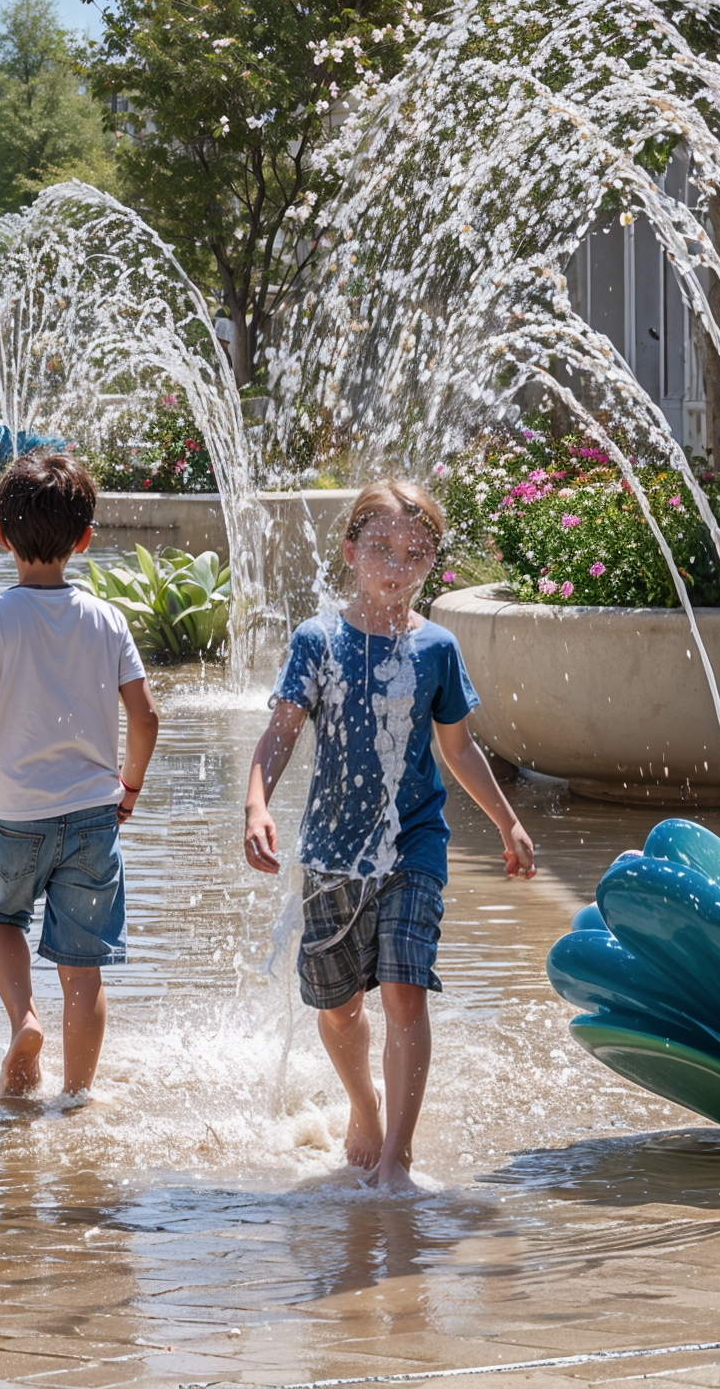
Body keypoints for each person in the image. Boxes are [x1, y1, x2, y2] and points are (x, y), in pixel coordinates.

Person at [240, 480, 536, 1192]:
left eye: (414, 554)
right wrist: (257, 805)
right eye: (381, 550)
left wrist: (507, 820)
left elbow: (459, 750)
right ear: (351, 551)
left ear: (430, 564)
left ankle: (398, 1160)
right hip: (332, 851)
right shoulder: (319, 641)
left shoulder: (437, 647)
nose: (396, 566)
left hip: (415, 845)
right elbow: (280, 733)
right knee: (339, 1009)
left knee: (406, 989)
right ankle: (365, 1105)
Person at [0, 452, 160, 1099]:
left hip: (10, 815)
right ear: (85, 539)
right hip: (92, 815)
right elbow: (145, 717)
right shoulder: (106, 617)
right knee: (83, 970)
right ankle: (78, 1098)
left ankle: (24, 1020)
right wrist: (130, 787)